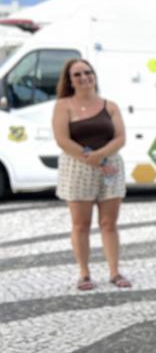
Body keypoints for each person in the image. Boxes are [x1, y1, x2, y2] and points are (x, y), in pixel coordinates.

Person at [52, 58, 131, 291]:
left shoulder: (110, 106)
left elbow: (120, 138)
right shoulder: (63, 105)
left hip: (111, 169)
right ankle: (84, 274)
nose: (84, 77)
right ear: (70, 80)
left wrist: (103, 156)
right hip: (77, 169)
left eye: (88, 72)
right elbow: (63, 140)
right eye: (77, 74)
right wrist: (93, 159)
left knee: (109, 223)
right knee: (81, 224)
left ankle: (114, 272)